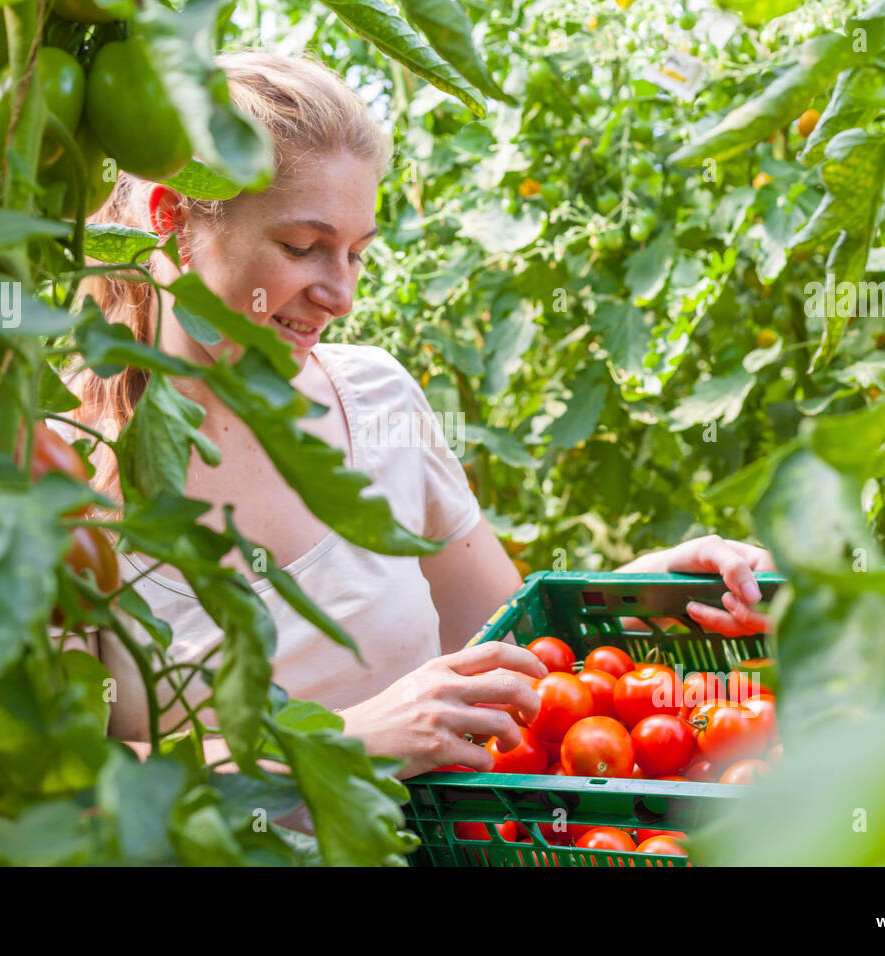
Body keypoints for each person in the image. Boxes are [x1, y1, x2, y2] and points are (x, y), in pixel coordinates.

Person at [53, 50, 777, 785]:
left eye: (358, 255)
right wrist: (344, 745)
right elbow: (62, 784)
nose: (340, 294)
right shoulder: (61, 469)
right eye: (303, 247)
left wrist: (640, 596)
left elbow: (519, 655)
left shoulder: (377, 403)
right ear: (171, 217)